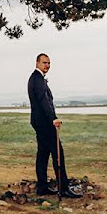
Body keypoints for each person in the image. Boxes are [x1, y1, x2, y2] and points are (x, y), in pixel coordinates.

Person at [27, 53, 81, 198]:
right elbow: (43, 101)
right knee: (58, 153)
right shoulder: (37, 79)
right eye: (44, 62)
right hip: (44, 122)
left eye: (49, 63)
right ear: (37, 63)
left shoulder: (38, 79)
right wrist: (53, 118)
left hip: (39, 122)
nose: (47, 65)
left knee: (43, 153)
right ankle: (63, 188)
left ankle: (42, 187)